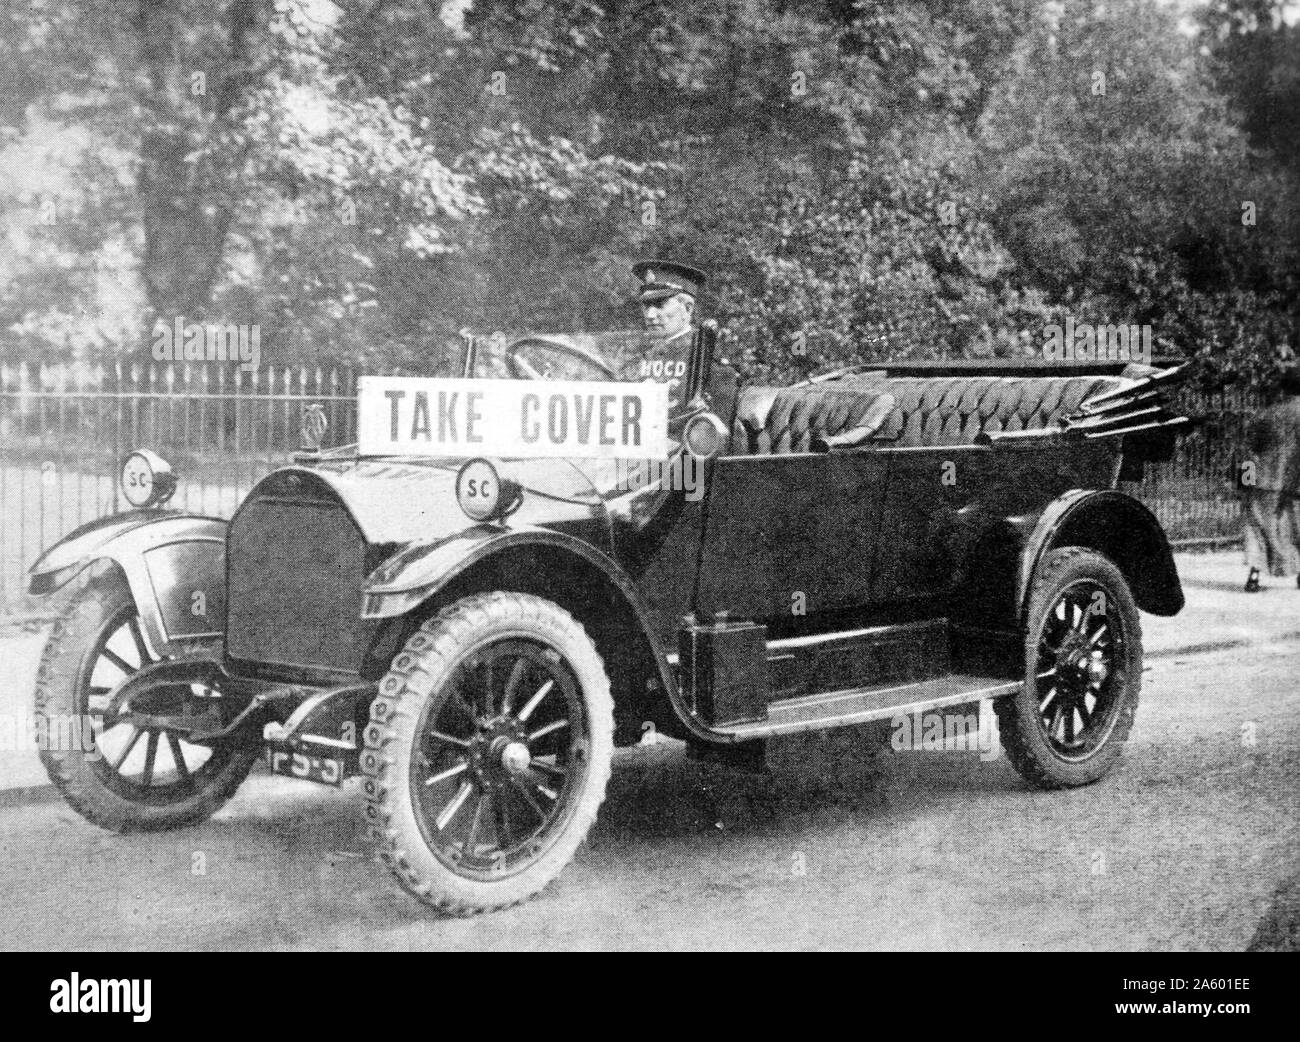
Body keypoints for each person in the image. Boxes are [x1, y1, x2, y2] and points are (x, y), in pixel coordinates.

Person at [632, 259, 740, 424]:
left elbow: (712, 439)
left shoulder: (707, 361)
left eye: (660, 304)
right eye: (647, 306)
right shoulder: (639, 358)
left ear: (688, 308)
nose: (650, 315)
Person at [1240, 364, 1300, 591]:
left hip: (1264, 481)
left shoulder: (1265, 415)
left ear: (1283, 388)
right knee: (1296, 527)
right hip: (1296, 482)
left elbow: (1247, 451)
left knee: (1259, 527)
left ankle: (1254, 575)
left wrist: (1245, 483)